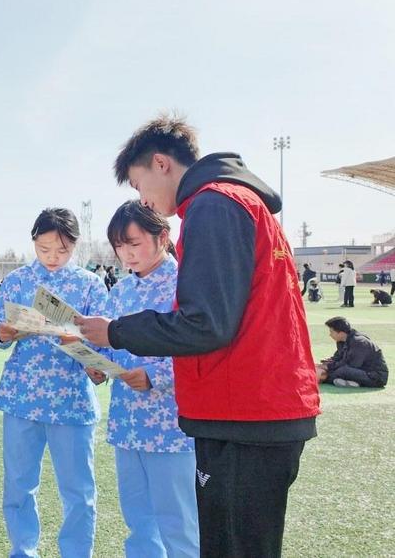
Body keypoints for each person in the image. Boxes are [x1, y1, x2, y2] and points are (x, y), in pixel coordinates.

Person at [76, 114, 320, 558]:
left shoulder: (214, 204)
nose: (143, 199)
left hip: (247, 411)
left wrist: (116, 331)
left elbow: (205, 323)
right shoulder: (233, 201)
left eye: (139, 184)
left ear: (161, 163)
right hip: (253, 405)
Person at [0, 208, 108, 558]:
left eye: (62, 250)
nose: (53, 257)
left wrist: (80, 343)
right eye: (44, 249)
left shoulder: (90, 283)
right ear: (33, 242)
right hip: (21, 397)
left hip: (72, 401)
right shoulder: (17, 280)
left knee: (78, 491)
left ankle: (77, 553)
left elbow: (104, 344)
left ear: (75, 245)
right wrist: (5, 331)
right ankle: (23, 550)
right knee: (18, 486)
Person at [89, 201, 198, 558]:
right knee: (138, 520)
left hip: (171, 427)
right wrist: (97, 365)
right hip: (128, 422)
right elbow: (110, 344)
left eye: (133, 243)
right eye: (119, 246)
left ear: (162, 237)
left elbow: (200, 348)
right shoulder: (121, 290)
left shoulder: (186, 286)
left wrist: (155, 376)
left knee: (179, 522)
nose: (126, 254)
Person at [316, 316, 388, 388]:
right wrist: (328, 363)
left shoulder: (359, 342)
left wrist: (328, 367)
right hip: (360, 371)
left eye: (332, 332)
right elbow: (338, 357)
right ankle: (352, 382)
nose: (330, 335)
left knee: (342, 370)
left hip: (375, 377)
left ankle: (324, 378)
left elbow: (353, 364)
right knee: (331, 368)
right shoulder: (342, 341)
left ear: (341, 333)